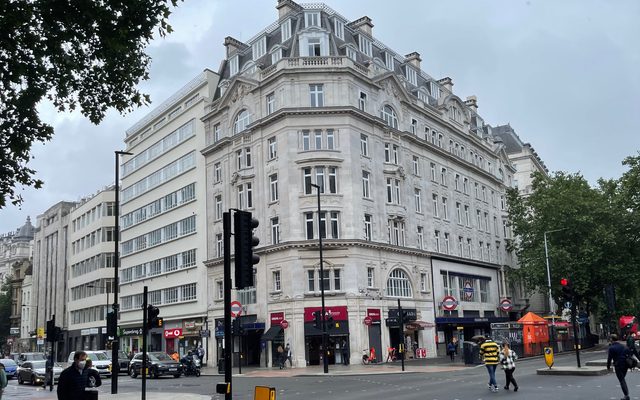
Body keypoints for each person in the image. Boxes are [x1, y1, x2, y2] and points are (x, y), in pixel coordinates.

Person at [608, 334, 632, 400]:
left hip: (618, 365)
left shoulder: (611, 348)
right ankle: (626, 395)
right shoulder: (623, 346)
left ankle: (626, 395)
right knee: (622, 379)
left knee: (622, 380)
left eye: (610, 338)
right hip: (626, 365)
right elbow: (629, 353)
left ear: (611, 339)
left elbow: (609, 358)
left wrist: (608, 367)